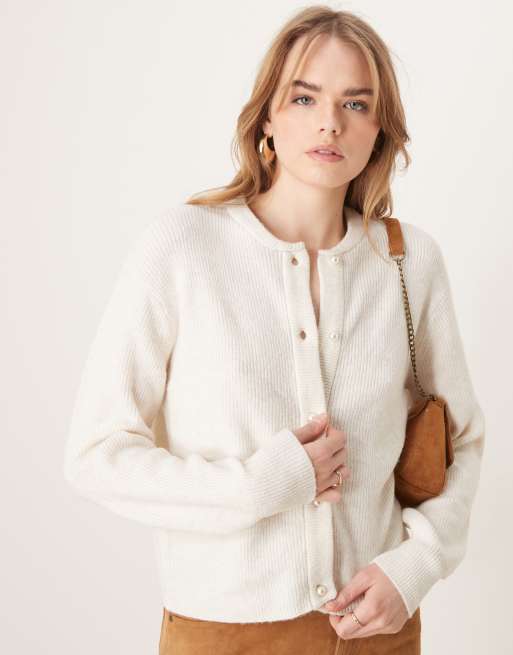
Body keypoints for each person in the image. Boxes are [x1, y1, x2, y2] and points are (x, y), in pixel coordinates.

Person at [63, 6, 485, 655]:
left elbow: (461, 439)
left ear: (379, 129)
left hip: (378, 631)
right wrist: (256, 487)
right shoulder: (183, 247)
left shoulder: (408, 261)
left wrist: (416, 565)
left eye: (355, 104)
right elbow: (97, 455)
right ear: (266, 116)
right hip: (222, 633)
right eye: (304, 97)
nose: (329, 122)